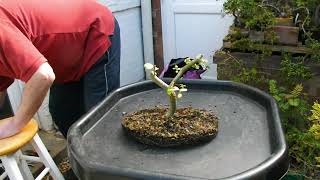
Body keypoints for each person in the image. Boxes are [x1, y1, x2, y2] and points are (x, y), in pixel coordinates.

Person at [0, 0, 121, 138]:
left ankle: (102, 157)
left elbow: (43, 76)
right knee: (62, 113)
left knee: (98, 119)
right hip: (66, 52)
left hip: (95, 31)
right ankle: (79, 155)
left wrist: (15, 125)